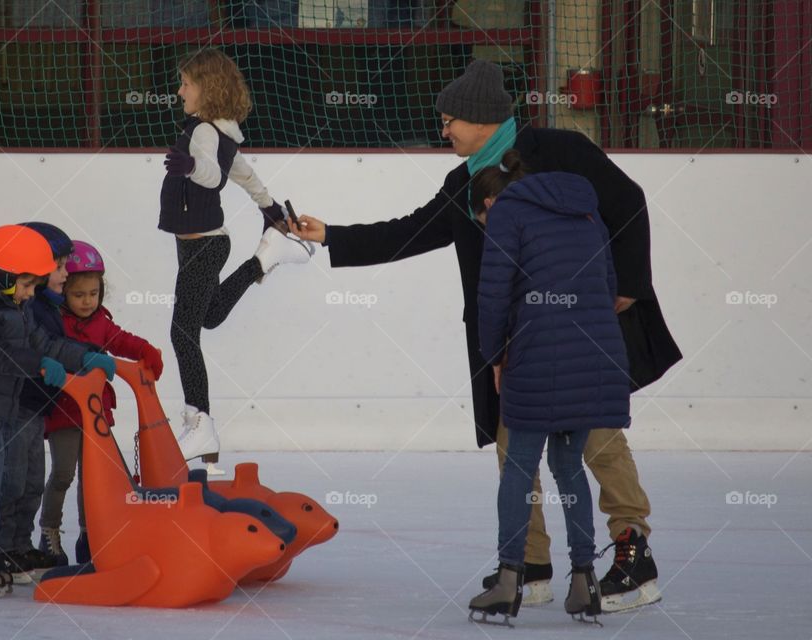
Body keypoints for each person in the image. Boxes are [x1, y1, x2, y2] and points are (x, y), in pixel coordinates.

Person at [290, 59, 681, 612]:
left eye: (449, 119)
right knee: (512, 449)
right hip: (513, 344)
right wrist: (330, 235)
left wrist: (629, 285)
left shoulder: (560, 151)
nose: (442, 129)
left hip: (580, 330)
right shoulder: (464, 184)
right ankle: (532, 565)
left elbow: (628, 202)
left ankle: (633, 555)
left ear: (478, 118)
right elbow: (409, 232)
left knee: (595, 438)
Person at [467, 152, 630, 626]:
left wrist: (495, 355)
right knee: (567, 465)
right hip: (596, 352)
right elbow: (608, 282)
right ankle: (585, 580)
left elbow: (493, 293)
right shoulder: (584, 208)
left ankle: (509, 579)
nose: (484, 224)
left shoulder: (507, 214)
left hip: (538, 353)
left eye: (481, 217)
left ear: (491, 200)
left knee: (519, 463)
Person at [0, 225, 113, 597]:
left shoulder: (15, 303)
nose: (33, 293)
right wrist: (42, 365)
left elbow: (43, 341)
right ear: (2, 275)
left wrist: (83, 356)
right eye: (29, 285)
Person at [159, 47, 315, 466]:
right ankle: (265, 259)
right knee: (205, 319)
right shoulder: (221, 131)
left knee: (183, 333)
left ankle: (200, 422)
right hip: (199, 245)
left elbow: (213, 175)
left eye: (186, 84)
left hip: (203, 245)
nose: (179, 91)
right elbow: (242, 171)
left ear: (206, 88)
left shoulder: (205, 133)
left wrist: (190, 165)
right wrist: (271, 210)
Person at [40, 240, 164, 565]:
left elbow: (121, 339)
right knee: (64, 473)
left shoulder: (101, 322)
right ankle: (49, 533)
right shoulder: (55, 322)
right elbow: (46, 350)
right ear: (63, 291)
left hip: (96, 414)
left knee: (93, 477)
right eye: (79, 295)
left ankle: (90, 533)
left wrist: (145, 351)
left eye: (93, 294)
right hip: (64, 412)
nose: (86, 301)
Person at [0, 222, 75, 583]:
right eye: (59, 265)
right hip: (17, 407)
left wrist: (86, 357)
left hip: (36, 409)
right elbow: (24, 350)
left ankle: (20, 546)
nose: (65, 273)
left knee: (31, 481)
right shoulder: (29, 307)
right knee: (13, 482)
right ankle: (3, 549)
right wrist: (44, 364)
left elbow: (53, 347)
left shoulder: (45, 308)